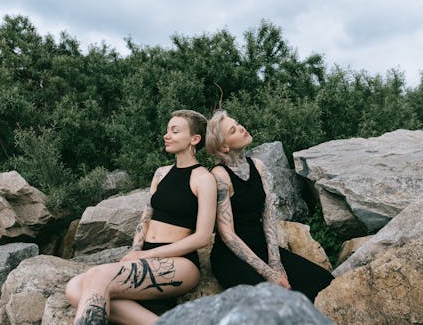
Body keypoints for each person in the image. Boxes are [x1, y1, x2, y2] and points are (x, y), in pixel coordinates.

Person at [66, 110, 216, 325]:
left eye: (175, 131)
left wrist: (148, 256)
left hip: (181, 264)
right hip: (146, 254)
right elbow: (146, 218)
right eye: (167, 130)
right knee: (73, 289)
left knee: (97, 277)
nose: (167, 135)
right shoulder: (161, 173)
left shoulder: (204, 179)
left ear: (194, 139)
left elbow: (202, 237)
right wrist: (137, 250)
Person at [206, 110, 333, 302]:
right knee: (274, 300)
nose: (241, 128)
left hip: (262, 247)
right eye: (233, 130)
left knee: (324, 282)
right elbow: (228, 235)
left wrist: (276, 261)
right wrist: (269, 273)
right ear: (224, 147)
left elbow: (268, 215)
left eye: (238, 123)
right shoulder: (219, 176)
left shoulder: (258, 165)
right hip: (232, 257)